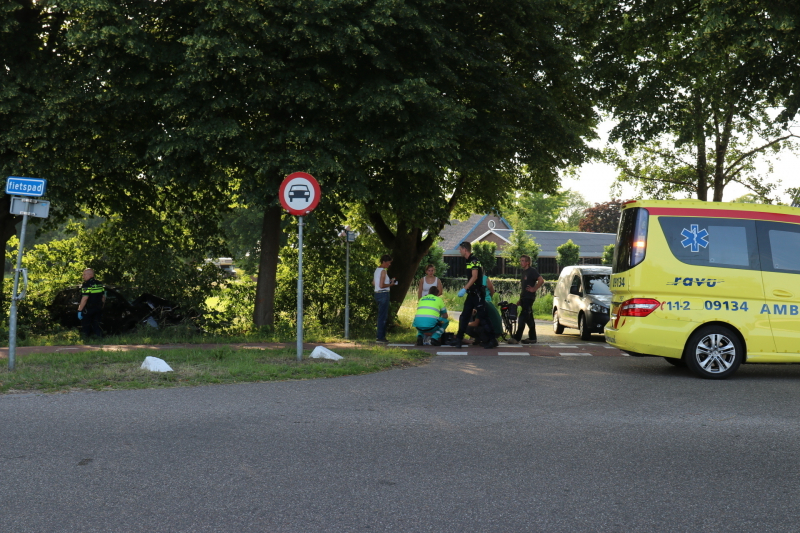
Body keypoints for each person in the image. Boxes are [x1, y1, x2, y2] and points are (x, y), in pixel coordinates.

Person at [449, 241, 493, 348]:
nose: (459, 251)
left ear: (465, 249)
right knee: (464, 316)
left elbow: (475, 277)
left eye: (460, 249)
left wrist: (464, 288)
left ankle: (492, 340)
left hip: (477, 294)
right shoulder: (469, 261)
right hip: (472, 294)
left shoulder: (474, 260)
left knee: (483, 317)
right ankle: (459, 339)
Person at [508, 254, 545, 344]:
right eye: (521, 260)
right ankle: (532, 338)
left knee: (522, 317)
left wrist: (534, 289)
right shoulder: (523, 272)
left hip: (529, 298)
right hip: (524, 298)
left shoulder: (532, 271)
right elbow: (524, 287)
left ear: (528, 262)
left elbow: (541, 280)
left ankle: (517, 338)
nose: (521, 262)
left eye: (523, 261)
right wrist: (521, 299)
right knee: (529, 318)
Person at [373, 254, 395, 343]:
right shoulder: (383, 271)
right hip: (383, 294)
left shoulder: (377, 270)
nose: (389, 265)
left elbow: (374, 283)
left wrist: (387, 281)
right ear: (384, 262)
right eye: (388, 263)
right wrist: (391, 284)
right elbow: (382, 285)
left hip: (377, 293)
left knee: (380, 315)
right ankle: (380, 337)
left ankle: (380, 335)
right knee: (383, 316)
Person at [77, 268, 106, 338]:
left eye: (84, 274)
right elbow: (103, 296)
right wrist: (102, 305)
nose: (83, 276)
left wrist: (79, 310)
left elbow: (85, 298)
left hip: (89, 309)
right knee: (97, 325)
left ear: (90, 275)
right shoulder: (99, 284)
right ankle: (99, 340)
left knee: (86, 326)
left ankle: (86, 340)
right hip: (98, 308)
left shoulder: (86, 285)